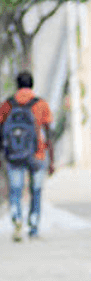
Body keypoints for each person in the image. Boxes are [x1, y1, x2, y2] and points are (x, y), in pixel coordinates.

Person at [1, 71, 54, 241]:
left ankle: (17, 218)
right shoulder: (41, 104)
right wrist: (51, 159)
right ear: (32, 84)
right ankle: (33, 225)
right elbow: (49, 132)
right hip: (37, 154)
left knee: (15, 191)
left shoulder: (7, 105)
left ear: (17, 85)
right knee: (36, 191)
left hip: (13, 154)